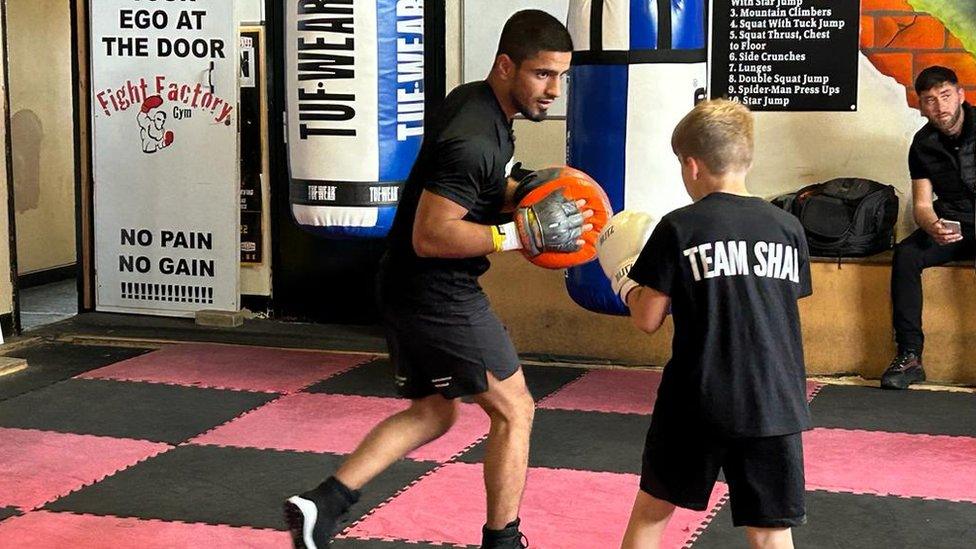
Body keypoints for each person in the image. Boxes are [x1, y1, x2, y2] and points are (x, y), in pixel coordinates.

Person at [284, 10, 586, 549]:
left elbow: (483, 185)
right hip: (436, 292)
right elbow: (433, 234)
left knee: (433, 411)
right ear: (505, 65)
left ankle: (322, 505)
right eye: (543, 74)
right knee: (516, 410)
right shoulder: (475, 139)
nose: (554, 90)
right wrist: (518, 235)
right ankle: (503, 542)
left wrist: (530, 190)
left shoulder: (475, 101)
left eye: (561, 76)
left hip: (405, 285)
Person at [597, 99, 812, 549]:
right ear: (745, 157)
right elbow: (779, 304)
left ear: (691, 165)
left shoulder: (680, 227)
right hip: (774, 398)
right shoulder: (787, 227)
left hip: (697, 399)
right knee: (772, 530)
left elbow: (647, 319)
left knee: (654, 511)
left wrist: (623, 276)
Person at [882, 66, 974, 390]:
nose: (940, 106)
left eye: (946, 96)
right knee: (906, 255)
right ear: (921, 106)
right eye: (930, 100)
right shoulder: (921, 144)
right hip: (952, 226)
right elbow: (922, 204)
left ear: (961, 95)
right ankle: (910, 356)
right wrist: (933, 226)